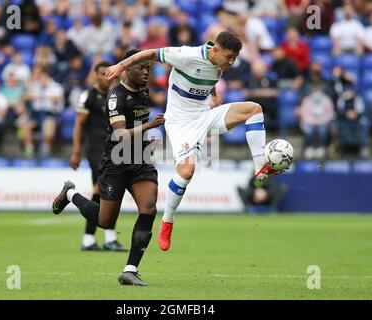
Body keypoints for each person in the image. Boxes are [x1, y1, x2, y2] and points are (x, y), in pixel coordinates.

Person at [104, 31, 286, 252]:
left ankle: (260, 166)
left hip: (204, 115)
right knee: (187, 171)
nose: (232, 62)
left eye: (235, 58)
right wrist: (121, 65)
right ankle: (167, 220)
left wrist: (214, 94)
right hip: (180, 123)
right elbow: (149, 53)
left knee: (254, 110)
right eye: (229, 57)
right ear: (215, 50)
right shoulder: (185, 55)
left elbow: (207, 76)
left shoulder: (220, 63)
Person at [52, 50, 165, 286]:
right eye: (140, 68)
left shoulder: (144, 92)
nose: (145, 72)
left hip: (141, 159)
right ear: (127, 68)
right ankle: (71, 194)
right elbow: (121, 134)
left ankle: (130, 270)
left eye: (148, 68)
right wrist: (149, 126)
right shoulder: (116, 96)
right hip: (116, 161)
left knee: (149, 208)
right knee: (104, 220)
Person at [69, 61, 127, 252]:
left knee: (105, 192)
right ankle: (98, 238)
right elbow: (78, 125)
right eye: (101, 74)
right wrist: (76, 151)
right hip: (96, 151)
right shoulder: (89, 96)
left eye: (107, 74)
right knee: (103, 190)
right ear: (95, 75)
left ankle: (92, 238)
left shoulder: (114, 95)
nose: (104, 77)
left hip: (112, 151)